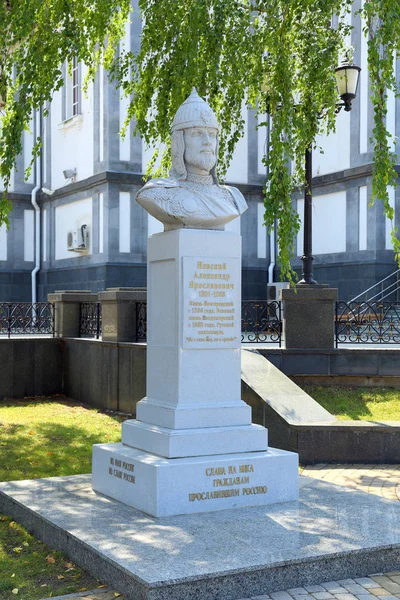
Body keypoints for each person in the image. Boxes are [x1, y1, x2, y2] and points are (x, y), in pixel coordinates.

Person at [136, 88, 248, 230]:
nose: (207, 141)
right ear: (179, 142)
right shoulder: (156, 193)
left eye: (212, 134)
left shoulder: (233, 198)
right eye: (197, 133)